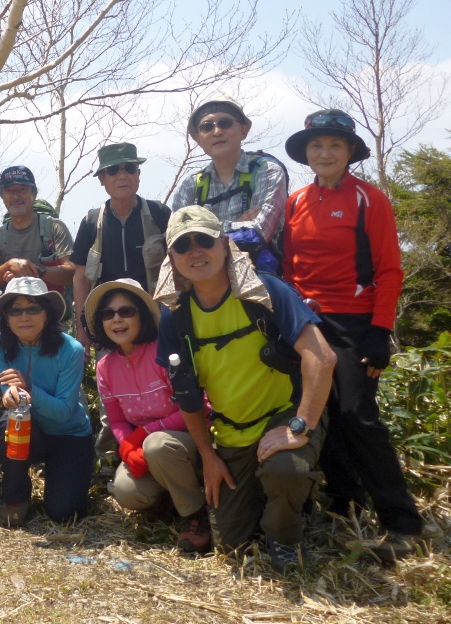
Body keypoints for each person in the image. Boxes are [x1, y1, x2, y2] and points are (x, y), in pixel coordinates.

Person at [154, 205, 337, 573]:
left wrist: (299, 426)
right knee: (232, 546)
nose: (195, 251)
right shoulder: (176, 316)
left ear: (224, 245)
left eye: (204, 240)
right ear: (171, 258)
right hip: (232, 431)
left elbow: (322, 357)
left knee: (286, 469)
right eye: (183, 245)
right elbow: (187, 395)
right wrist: (208, 457)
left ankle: (284, 536)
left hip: (284, 414)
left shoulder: (265, 291)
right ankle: (276, 503)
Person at [283, 109, 423, 559]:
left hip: (355, 321)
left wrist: (380, 332)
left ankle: (402, 522)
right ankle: (345, 507)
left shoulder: (369, 199)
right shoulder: (296, 201)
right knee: (322, 412)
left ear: (349, 152)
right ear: (307, 153)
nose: (325, 153)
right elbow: (288, 267)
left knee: (360, 415)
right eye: (317, 146)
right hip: (307, 320)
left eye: (335, 146)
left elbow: (389, 270)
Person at [84, 278, 208, 553]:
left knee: (158, 445)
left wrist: (143, 434)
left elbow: (199, 406)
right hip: (151, 449)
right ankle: (175, 499)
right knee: (126, 491)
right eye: (108, 313)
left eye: (126, 311)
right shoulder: (105, 367)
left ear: (143, 314)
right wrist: (127, 447)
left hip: (189, 445)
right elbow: (116, 419)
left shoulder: (163, 352)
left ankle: (195, 514)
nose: (117, 319)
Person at [0, 277, 94, 527]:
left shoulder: (72, 350)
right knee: (9, 421)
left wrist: (28, 388)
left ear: (47, 314)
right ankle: (16, 497)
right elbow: (12, 395)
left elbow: (65, 412)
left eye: (33, 308)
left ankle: (65, 479)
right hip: (29, 429)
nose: (24, 317)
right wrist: (10, 394)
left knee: (63, 513)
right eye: (15, 310)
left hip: (69, 434)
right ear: (6, 317)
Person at [170, 95, 288, 269]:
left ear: (243, 130)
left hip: (258, 276)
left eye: (225, 123)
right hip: (203, 277)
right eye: (207, 127)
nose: (217, 131)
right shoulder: (190, 185)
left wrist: (202, 232)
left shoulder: (267, 171)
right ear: (198, 138)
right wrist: (239, 224)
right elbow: (177, 237)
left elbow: (258, 233)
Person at [72, 142, 170, 347]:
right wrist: (82, 329)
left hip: (156, 323)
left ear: (138, 174)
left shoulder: (159, 214)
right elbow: (80, 278)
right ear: (102, 179)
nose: (122, 176)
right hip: (110, 327)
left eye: (130, 168)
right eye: (113, 170)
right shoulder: (91, 222)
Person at [0, 165, 75, 303]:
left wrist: (35, 270)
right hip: (13, 313)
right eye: (9, 191)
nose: (16, 196)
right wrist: (9, 266)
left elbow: (72, 272)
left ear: (34, 193)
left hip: (52, 311)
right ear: (2, 196)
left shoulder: (54, 228)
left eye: (23, 190)